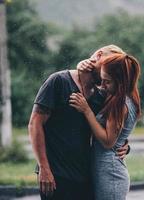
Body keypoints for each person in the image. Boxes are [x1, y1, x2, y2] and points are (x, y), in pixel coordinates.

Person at [28, 45, 129, 200]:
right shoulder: (59, 81)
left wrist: (125, 145)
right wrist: (44, 168)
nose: (107, 74)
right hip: (56, 176)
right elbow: (35, 124)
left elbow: (108, 131)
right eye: (108, 67)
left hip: (86, 177)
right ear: (98, 56)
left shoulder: (100, 96)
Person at [69, 52, 141, 200]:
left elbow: (108, 142)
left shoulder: (120, 104)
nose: (102, 86)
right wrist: (81, 67)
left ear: (121, 82)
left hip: (110, 173)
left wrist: (86, 111)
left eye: (107, 82)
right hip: (105, 168)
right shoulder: (118, 95)